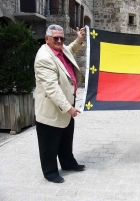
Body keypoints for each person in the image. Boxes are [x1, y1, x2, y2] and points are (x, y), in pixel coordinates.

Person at [34, 24, 86, 183]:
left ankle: (68, 163)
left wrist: (79, 40)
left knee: (65, 137)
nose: (59, 41)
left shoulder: (60, 49)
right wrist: (69, 108)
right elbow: (52, 88)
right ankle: (50, 172)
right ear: (47, 39)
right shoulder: (44, 58)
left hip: (66, 103)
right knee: (49, 143)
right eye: (55, 38)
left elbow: (70, 49)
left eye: (61, 38)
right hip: (52, 108)